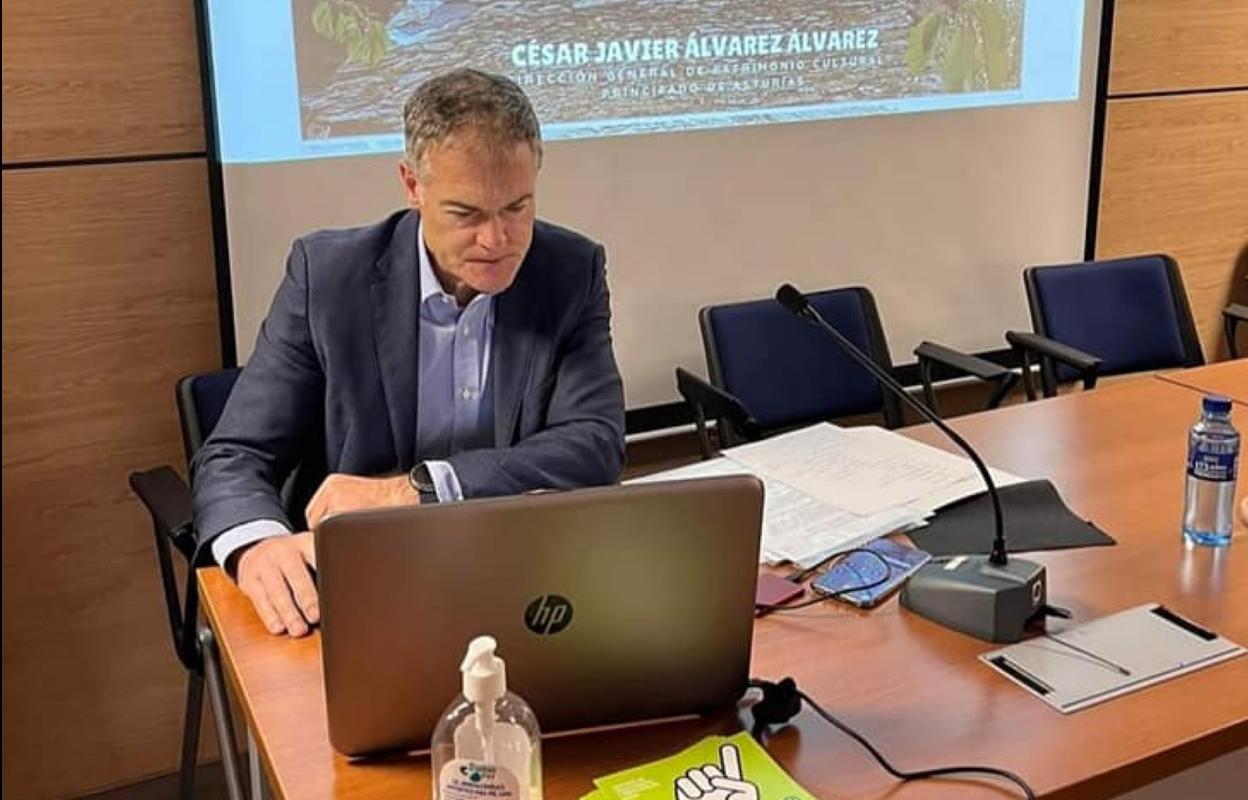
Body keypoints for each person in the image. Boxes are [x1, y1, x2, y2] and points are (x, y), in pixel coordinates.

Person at [192, 68, 625, 637]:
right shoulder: (328, 278)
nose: (496, 239)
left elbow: (593, 444)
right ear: (412, 185)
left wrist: (419, 489)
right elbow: (236, 455)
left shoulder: (570, 270)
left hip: (518, 573)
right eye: (466, 214)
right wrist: (257, 544)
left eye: (517, 208)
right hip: (361, 581)